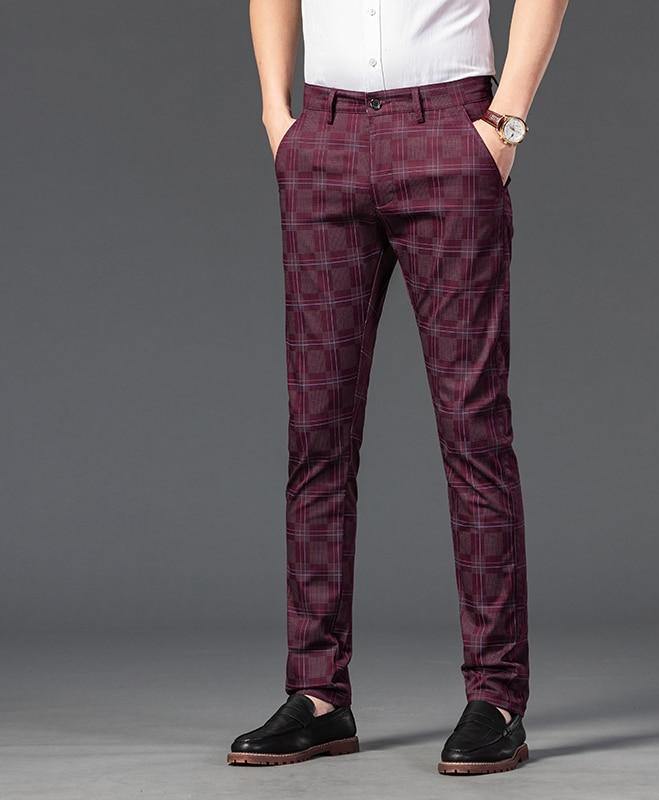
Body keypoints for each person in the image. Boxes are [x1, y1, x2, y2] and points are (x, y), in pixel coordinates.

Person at [228, 0, 569, 776]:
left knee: (474, 427)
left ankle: (496, 697)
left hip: (451, 130)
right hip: (325, 139)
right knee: (316, 431)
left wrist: (506, 121)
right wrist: (277, 114)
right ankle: (317, 694)